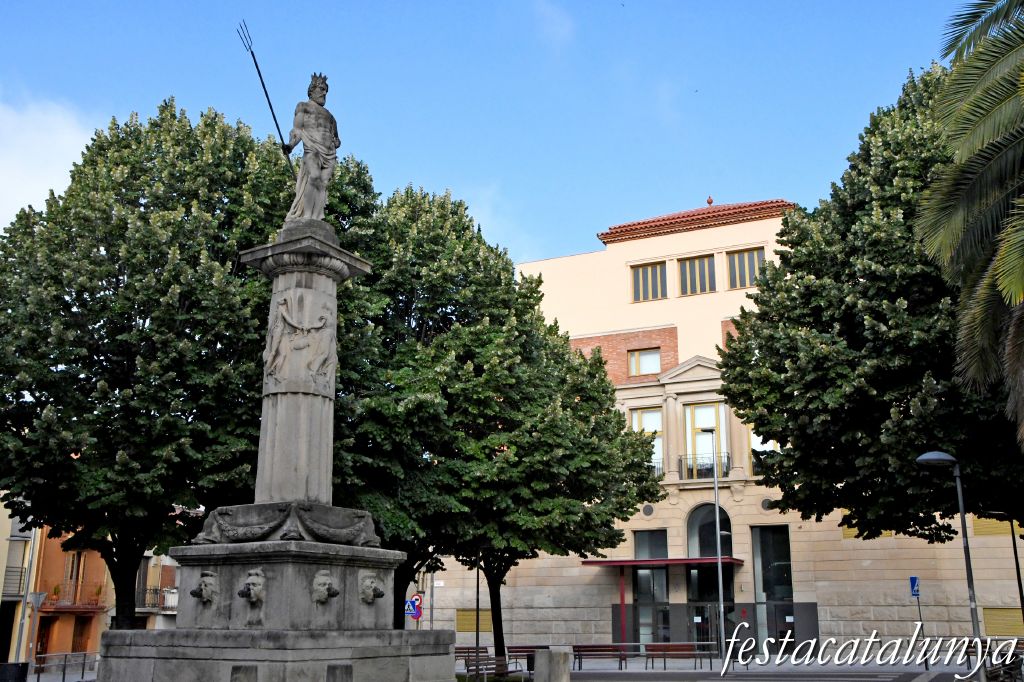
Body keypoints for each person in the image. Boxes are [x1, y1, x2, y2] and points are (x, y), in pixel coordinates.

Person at [282, 73, 340, 221]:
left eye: (326, 90)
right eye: (321, 89)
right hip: (312, 148)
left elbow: (337, 139)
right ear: (311, 90)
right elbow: (297, 130)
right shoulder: (303, 106)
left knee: (323, 184)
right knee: (314, 178)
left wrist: (336, 142)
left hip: (329, 153)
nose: (324, 92)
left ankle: (317, 217)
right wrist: (291, 145)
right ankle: (306, 215)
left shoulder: (331, 116)